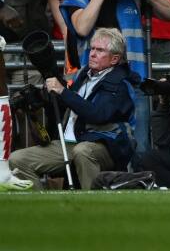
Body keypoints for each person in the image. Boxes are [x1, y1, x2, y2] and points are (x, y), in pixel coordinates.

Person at [8, 27, 136, 190]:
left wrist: (63, 91)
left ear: (114, 59)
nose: (93, 53)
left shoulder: (120, 83)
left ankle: (95, 207)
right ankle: (43, 208)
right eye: (92, 48)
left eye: (100, 50)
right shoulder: (84, 76)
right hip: (70, 143)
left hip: (104, 144)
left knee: (83, 152)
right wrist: (42, 98)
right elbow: (69, 107)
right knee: (17, 159)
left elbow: (97, 114)